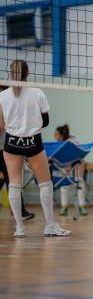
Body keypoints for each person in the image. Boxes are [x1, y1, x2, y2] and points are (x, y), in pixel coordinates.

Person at [0, 60, 71, 238]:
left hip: (12, 142)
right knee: (45, 182)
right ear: (27, 73)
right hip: (33, 142)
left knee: (14, 183)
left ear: (11, 73)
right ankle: (50, 226)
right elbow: (45, 121)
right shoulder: (37, 92)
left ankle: (20, 228)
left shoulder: (3, 96)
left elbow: (2, 122)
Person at [0, 86, 35, 221]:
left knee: (10, 180)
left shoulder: (6, 104)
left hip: (6, 148)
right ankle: (19, 212)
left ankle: (19, 211)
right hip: (3, 149)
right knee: (12, 180)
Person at [53, 124, 88, 216]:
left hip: (77, 162)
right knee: (64, 183)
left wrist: (78, 173)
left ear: (61, 135)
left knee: (80, 182)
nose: (54, 136)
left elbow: (79, 155)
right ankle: (64, 206)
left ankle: (82, 206)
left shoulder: (73, 140)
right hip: (65, 163)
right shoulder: (59, 143)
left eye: (56, 134)